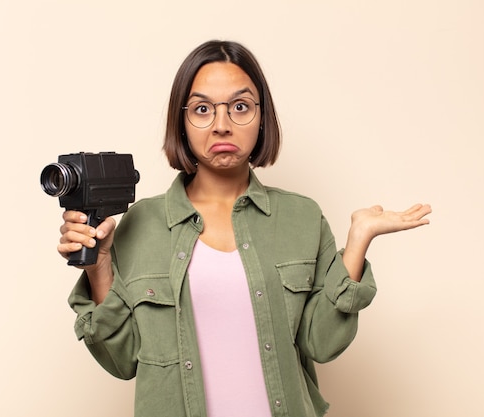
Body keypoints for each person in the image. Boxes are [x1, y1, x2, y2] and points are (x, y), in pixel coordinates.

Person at [57, 40, 431, 417]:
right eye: (202, 109)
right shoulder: (142, 224)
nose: (222, 126)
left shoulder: (301, 217)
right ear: (181, 121)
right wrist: (98, 266)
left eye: (240, 107)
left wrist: (357, 241)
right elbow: (122, 361)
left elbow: (322, 343)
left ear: (262, 116)